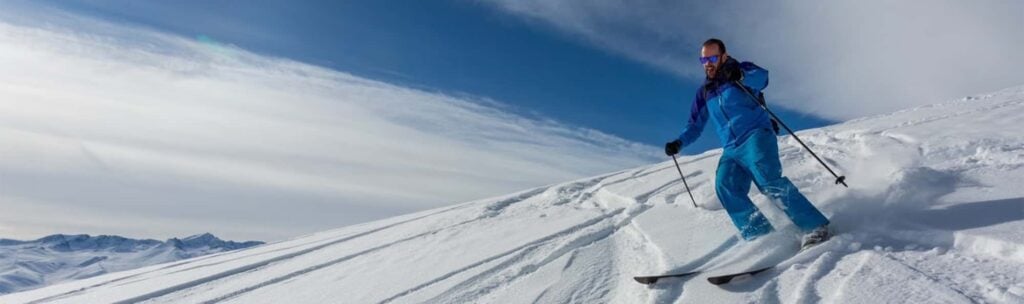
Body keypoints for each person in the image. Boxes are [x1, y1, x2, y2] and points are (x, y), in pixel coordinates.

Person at [665, 38, 830, 248]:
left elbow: (763, 78)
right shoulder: (704, 92)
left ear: (724, 56)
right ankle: (762, 237)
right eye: (703, 59)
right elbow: (695, 125)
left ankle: (814, 226)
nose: (707, 63)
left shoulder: (741, 70)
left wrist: (740, 75)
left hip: (755, 135)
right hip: (731, 148)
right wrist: (679, 143)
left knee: (767, 179)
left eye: (712, 58)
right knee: (725, 187)